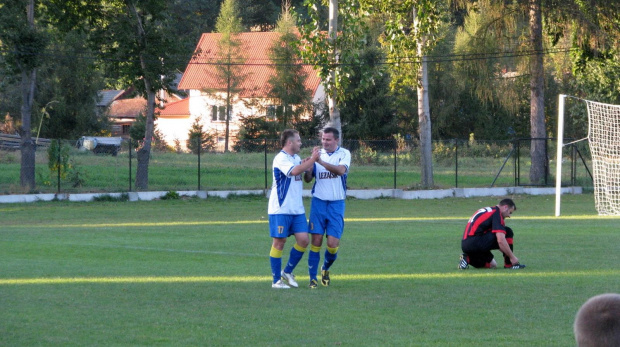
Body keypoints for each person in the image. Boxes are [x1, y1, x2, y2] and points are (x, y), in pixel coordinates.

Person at [268, 129, 320, 289]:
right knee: (279, 241)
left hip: (297, 209)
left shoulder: (296, 158)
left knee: (304, 240)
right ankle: (276, 280)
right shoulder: (280, 158)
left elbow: (303, 175)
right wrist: (312, 160)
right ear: (289, 142)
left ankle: (288, 271)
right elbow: (294, 171)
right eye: (298, 140)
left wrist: (308, 167)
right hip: (281, 208)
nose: (300, 143)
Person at [304, 127, 351, 288]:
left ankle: (325, 268)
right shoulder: (317, 155)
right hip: (318, 203)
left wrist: (320, 162)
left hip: (337, 204)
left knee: (332, 244)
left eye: (328, 139)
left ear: (336, 140)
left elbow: (340, 171)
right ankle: (312, 278)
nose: (325, 142)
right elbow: (308, 179)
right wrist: (309, 168)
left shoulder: (344, 154)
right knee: (315, 241)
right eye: (323, 139)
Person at [458, 198, 526, 269]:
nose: (509, 216)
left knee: (492, 265)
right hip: (475, 242)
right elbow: (500, 241)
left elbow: (496, 241)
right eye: (510, 212)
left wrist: (506, 250)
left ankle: (468, 258)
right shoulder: (497, 214)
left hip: (466, 244)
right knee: (507, 231)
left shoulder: (489, 210)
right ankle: (510, 264)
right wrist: (512, 257)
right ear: (505, 207)